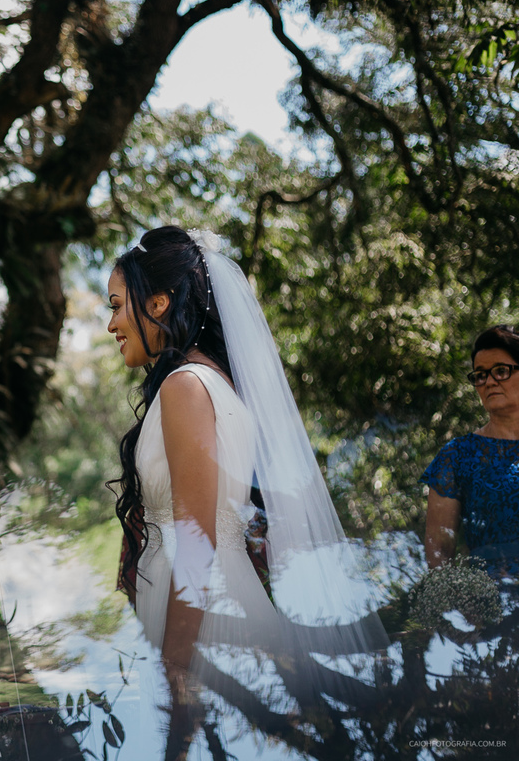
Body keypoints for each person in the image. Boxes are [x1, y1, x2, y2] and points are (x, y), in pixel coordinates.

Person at [105, 227, 385, 755]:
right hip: (212, 599)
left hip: (202, 615)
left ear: (159, 302)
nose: (112, 323)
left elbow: (196, 534)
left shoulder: (186, 386)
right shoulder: (213, 382)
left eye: (119, 305)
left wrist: (176, 661)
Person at [423, 324, 519, 577]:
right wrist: (463, 605)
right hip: (495, 607)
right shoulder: (456, 457)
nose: (489, 382)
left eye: (501, 371)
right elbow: (439, 553)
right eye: (480, 374)